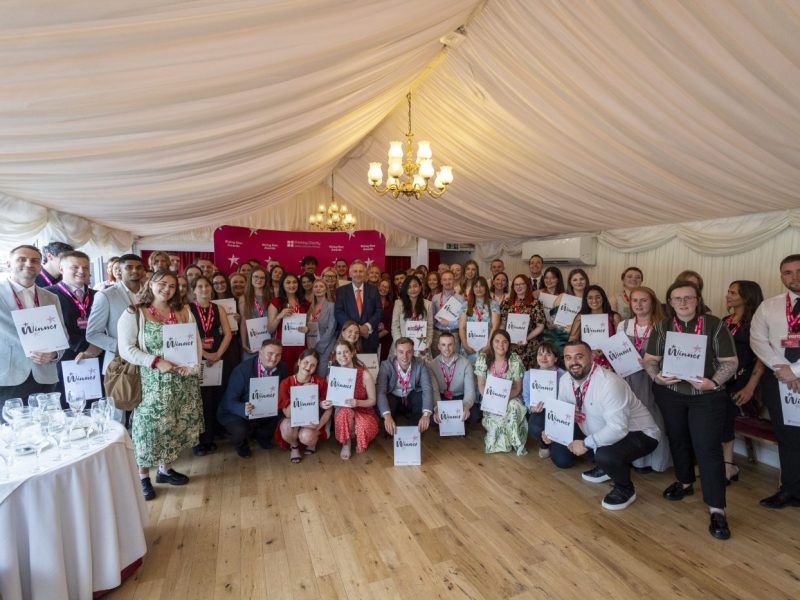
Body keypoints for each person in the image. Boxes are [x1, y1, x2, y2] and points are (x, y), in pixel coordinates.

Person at [643, 280, 737, 539]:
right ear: (670, 303)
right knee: (678, 439)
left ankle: (717, 509)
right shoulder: (662, 328)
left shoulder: (714, 325)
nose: (683, 303)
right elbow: (650, 360)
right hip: (671, 394)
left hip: (706, 396)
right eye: (678, 298)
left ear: (697, 300)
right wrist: (657, 377)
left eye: (689, 298)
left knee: (707, 448)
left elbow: (729, 362)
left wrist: (714, 382)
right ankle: (685, 482)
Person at [543, 341, 661, 511]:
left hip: (639, 433)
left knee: (606, 455)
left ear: (591, 358)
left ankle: (624, 488)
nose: (573, 362)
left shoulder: (609, 383)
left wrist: (585, 444)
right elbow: (562, 412)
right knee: (564, 450)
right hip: (598, 429)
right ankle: (605, 468)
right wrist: (551, 432)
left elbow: (618, 428)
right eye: (568, 358)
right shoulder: (565, 380)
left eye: (579, 356)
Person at [118, 269, 203, 501]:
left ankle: (165, 470)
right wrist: (155, 361)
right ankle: (143, 476)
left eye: (172, 286)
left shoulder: (183, 310)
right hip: (152, 382)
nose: (167, 289)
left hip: (182, 382)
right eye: (162, 284)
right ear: (151, 283)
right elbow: (127, 350)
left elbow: (195, 342)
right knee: (148, 429)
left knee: (174, 425)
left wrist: (193, 366)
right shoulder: (135, 312)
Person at [750, 255, 800, 509]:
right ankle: (790, 490)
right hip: (778, 380)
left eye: (799, 271)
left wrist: (796, 370)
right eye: (788, 272)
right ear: (781, 276)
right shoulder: (770, 306)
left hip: (792, 376)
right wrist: (782, 369)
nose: (795, 277)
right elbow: (758, 340)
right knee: (787, 437)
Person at [0, 245, 66, 410]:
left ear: (40, 266)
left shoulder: (51, 297)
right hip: (8, 376)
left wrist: (54, 353)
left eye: (35, 261)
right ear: (9, 264)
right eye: (22, 259)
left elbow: (62, 335)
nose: (29, 264)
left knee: (44, 429)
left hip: (45, 375)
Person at [616, 286, 671, 473]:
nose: (639, 305)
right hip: (629, 378)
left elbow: (670, 355)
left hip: (653, 379)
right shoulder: (623, 326)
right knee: (631, 416)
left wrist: (651, 362)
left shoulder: (663, 326)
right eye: (635, 301)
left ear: (653, 302)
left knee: (654, 418)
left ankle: (656, 460)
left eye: (644, 300)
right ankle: (636, 459)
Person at [722, 280, 765, 484]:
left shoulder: (756, 322)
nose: (727, 295)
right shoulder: (726, 320)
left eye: (732, 292)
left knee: (725, 411)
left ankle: (728, 465)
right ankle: (721, 462)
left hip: (745, 380)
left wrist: (750, 387)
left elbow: (761, 358)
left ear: (746, 297)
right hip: (724, 377)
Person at [46, 251, 103, 402]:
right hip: (66, 360)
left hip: (98, 357)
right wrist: (85, 347)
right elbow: (52, 329)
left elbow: (107, 326)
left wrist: (96, 347)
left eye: (85, 267)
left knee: (96, 406)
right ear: (61, 269)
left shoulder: (99, 295)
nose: (81, 271)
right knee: (69, 407)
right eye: (75, 267)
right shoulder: (48, 295)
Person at [217, 339, 288, 458]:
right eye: (270, 353)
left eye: (278, 355)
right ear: (260, 352)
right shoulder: (241, 371)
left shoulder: (282, 368)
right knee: (239, 431)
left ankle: (262, 437)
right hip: (237, 411)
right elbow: (229, 401)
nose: (274, 358)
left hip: (264, 408)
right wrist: (243, 408)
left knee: (281, 412)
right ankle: (241, 445)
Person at [189, 276, 232, 456]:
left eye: (207, 285)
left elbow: (228, 334)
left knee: (215, 396)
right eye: (200, 286)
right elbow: (188, 336)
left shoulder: (218, 308)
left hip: (217, 358)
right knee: (199, 400)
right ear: (194, 290)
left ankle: (211, 437)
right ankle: (199, 441)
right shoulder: (188, 309)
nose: (204, 289)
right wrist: (205, 354)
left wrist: (217, 354)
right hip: (197, 357)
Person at [86, 254, 146, 374]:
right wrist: (122, 347)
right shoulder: (106, 295)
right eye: (129, 267)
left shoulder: (151, 294)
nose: (135, 270)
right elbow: (93, 334)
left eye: (139, 267)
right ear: (119, 270)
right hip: (120, 364)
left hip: (150, 362)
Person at [475, 329, 527, 455]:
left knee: (513, 406)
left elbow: (517, 388)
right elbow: (481, 385)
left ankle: (516, 442)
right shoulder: (483, 359)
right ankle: (500, 441)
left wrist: (503, 399)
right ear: (492, 342)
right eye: (497, 341)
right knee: (496, 435)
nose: (501, 345)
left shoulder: (514, 360)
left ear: (509, 344)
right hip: (490, 400)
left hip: (511, 398)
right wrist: (493, 401)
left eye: (505, 342)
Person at [277, 349, 331, 463]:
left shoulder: (320, 382)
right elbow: (287, 413)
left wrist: (318, 426)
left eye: (313, 365)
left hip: (313, 423)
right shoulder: (286, 383)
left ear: (316, 367)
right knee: (286, 427)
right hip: (293, 421)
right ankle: (294, 446)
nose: (308, 367)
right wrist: (301, 392)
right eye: (306, 362)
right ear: (299, 361)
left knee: (307, 437)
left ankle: (312, 441)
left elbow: (329, 410)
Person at [377, 337, 434, 437]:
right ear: (395, 352)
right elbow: (380, 391)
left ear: (413, 352)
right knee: (386, 404)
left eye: (409, 352)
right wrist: (387, 416)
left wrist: (426, 415)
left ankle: (413, 431)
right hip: (393, 396)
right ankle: (390, 427)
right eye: (401, 352)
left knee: (420, 398)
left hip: (411, 395)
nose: (405, 356)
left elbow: (427, 388)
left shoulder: (420, 364)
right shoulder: (386, 365)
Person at [331, 339, 378, 459]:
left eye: (346, 352)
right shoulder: (333, 376)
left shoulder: (364, 374)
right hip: (343, 412)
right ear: (335, 357)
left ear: (352, 353)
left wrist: (358, 402)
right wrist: (329, 403)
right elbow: (334, 402)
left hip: (364, 411)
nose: (343, 356)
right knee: (345, 411)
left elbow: (373, 400)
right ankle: (346, 443)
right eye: (339, 353)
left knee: (364, 426)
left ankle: (360, 438)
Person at [522, 342, 566, 458]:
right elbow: (526, 397)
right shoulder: (529, 375)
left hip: (558, 412)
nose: (543, 357)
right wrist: (532, 408)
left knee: (562, 458)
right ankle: (544, 444)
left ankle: (555, 442)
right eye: (540, 354)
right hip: (539, 410)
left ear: (556, 358)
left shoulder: (564, 376)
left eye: (548, 354)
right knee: (535, 429)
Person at [428, 331, 477, 425]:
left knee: (474, 416)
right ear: (439, 346)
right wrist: (437, 409)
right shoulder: (432, 365)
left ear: (454, 346)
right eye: (443, 345)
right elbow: (434, 391)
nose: (447, 349)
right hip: (442, 398)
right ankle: (453, 420)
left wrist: (466, 406)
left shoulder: (466, 364)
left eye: (450, 345)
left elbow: (470, 390)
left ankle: (455, 420)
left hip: (459, 397)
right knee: (431, 418)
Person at [334, 260, 381, 353]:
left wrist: (367, 326)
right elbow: (338, 312)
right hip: (348, 340)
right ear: (350, 274)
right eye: (355, 271)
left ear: (365, 274)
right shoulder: (341, 291)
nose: (358, 274)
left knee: (368, 367)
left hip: (369, 339)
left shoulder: (374, 290)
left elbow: (379, 311)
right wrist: (357, 329)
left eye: (361, 271)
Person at [568, 285, 621, 369]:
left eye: (598, 297)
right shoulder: (581, 317)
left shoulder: (613, 317)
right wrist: (586, 350)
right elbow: (572, 340)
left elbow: (621, 341)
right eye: (590, 298)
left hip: (610, 360)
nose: (594, 300)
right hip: (587, 360)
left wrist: (606, 350)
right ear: (586, 300)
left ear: (603, 298)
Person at [500, 275, 546, 369]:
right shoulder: (507, 302)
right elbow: (503, 324)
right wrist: (502, 339)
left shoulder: (535, 303)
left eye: (521, 284)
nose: (518, 286)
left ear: (527, 285)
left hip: (528, 346)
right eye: (516, 284)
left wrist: (526, 338)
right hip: (509, 345)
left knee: (526, 376)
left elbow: (540, 326)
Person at [267, 272, 308, 373]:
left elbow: (308, 326)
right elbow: (270, 329)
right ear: (283, 285)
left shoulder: (304, 303)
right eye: (288, 282)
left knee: (300, 373)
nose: (292, 285)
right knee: (284, 374)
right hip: (283, 346)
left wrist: (307, 329)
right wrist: (279, 316)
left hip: (300, 345)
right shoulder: (275, 302)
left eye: (294, 282)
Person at [459, 276, 500, 365]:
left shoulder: (493, 304)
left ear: (486, 288)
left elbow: (495, 326)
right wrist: (465, 345)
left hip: (487, 344)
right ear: (472, 288)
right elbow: (461, 327)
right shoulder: (466, 304)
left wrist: (488, 345)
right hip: (468, 345)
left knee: (484, 374)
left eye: (481, 286)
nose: (478, 289)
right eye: (476, 286)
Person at [391, 275, 433, 357]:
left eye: (415, 286)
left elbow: (430, 326)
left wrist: (426, 345)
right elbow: (395, 326)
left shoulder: (428, 304)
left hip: (421, 348)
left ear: (420, 287)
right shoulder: (399, 303)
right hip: (402, 347)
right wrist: (401, 344)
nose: (412, 289)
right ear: (405, 289)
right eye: (409, 287)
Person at [302, 279, 337, 377]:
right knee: (312, 371)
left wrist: (320, 345)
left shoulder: (331, 306)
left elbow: (331, 328)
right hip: (311, 344)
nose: (318, 289)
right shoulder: (310, 308)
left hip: (326, 345)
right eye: (316, 286)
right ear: (312, 290)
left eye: (321, 286)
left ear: (326, 290)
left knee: (322, 371)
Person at [431, 270, 464, 357]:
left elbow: (463, 321)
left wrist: (449, 323)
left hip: (453, 333)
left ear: (454, 281)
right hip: (437, 334)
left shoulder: (461, 299)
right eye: (444, 279)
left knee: (454, 361)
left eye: (450, 279)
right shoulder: (435, 298)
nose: (447, 282)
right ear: (441, 282)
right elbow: (431, 319)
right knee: (436, 361)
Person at [238, 266, 269, 358]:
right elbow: (243, 322)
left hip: (268, 337)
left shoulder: (271, 297)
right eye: (256, 277)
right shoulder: (244, 298)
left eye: (262, 278)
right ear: (250, 278)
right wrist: (243, 343)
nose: (259, 280)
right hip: (252, 339)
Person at [377, 279, 395, 361]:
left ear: (389, 290)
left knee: (384, 362)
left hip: (386, 339)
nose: (384, 289)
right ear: (378, 287)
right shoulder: (370, 302)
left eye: (386, 287)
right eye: (382, 286)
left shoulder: (392, 305)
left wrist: (379, 335)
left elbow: (391, 324)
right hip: (371, 338)